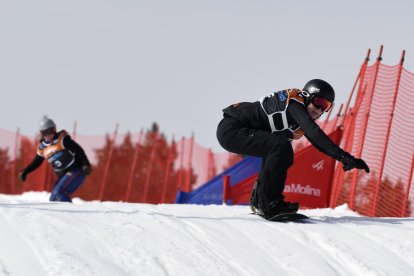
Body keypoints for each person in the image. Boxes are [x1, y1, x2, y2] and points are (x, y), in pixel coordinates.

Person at [216, 79, 370, 219]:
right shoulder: (295, 104)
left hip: (236, 129)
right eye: (318, 102)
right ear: (307, 96)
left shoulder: (297, 119)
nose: (319, 110)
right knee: (280, 147)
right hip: (233, 129)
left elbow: (308, 142)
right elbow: (315, 134)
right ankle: (269, 203)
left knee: (278, 150)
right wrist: (343, 157)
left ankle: (261, 201)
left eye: (326, 106)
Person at [19, 116, 92, 202]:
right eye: (44, 133)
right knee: (53, 199)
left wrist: (85, 163)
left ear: (54, 129)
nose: (48, 135)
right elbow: (37, 162)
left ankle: (69, 214)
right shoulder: (43, 148)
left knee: (59, 193)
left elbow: (78, 150)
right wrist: (25, 171)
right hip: (64, 175)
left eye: (50, 131)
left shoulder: (62, 140)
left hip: (75, 171)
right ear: (41, 134)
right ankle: (59, 215)